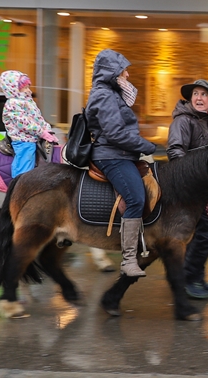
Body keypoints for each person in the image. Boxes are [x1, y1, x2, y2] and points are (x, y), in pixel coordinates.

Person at [85, 49, 156, 277]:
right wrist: (146, 145)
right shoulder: (104, 95)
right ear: (111, 72)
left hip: (122, 153)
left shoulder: (111, 93)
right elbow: (115, 133)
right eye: (123, 70)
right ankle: (128, 261)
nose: (127, 75)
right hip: (112, 155)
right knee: (136, 198)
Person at [166, 79, 208, 298]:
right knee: (207, 233)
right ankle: (189, 280)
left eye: (204, 94)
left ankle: (196, 278)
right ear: (190, 98)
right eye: (196, 94)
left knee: (207, 233)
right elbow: (175, 152)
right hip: (188, 188)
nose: (199, 98)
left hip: (203, 187)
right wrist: (193, 180)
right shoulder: (183, 121)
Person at [0, 70, 59, 178]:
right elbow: (24, 123)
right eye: (25, 87)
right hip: (23, 139)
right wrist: (42, 132)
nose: (28, 90)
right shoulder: (12, 104)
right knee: (26, 156)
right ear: (13, 89)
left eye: (28, 87)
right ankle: (19, 183)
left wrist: (47, 129)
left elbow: (38, 118)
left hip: (34, 135)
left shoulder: (28, 101)